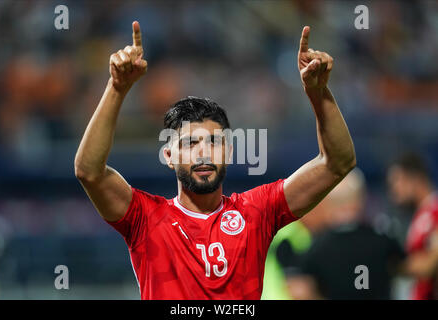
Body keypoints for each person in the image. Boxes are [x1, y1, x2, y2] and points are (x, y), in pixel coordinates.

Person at [74, 21, 356, 299]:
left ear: (229, 153)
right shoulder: (145, 219)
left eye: (214, 142)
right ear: (169, 156)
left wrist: (319, 94)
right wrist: (117, 88)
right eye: (190, 143)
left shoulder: (257, 212)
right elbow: (89, 171)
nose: (204, 152)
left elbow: (337, 163)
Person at [280, 168, 405, 300]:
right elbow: (411, 267)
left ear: (329, 204)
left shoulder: (316, 248)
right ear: (360, 200)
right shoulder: (384, 241)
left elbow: (299, 291)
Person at [387, 152, 438, 300]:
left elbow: (432, 263)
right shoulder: (421, 215)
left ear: (415, 179)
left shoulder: (435, 211)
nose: (394, 191)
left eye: (397, 182)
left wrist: (389, 264)